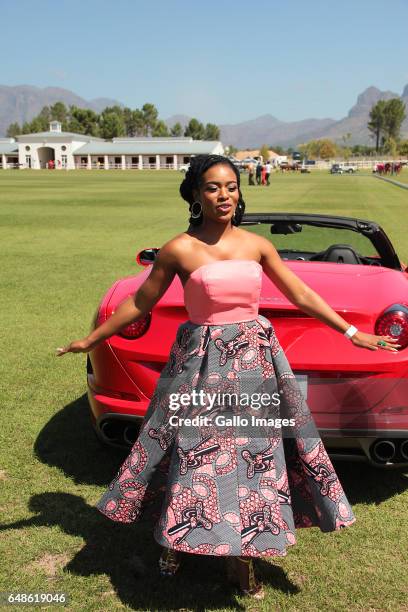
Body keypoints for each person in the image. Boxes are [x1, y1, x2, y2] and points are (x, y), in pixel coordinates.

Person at [56, 154, 400, 600]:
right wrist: (92, 339)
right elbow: (140, 301)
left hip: (254, 364)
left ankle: (244, 558)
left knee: (252, 462)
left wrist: (354, 333)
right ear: (196, 195)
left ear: (240, 192)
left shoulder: (257, 246)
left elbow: (299, 293)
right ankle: (175, 540)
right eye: (214, 187)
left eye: (231, 187)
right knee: (192, 454)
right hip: (200, 367)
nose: (224, 195)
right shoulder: (179, 248)